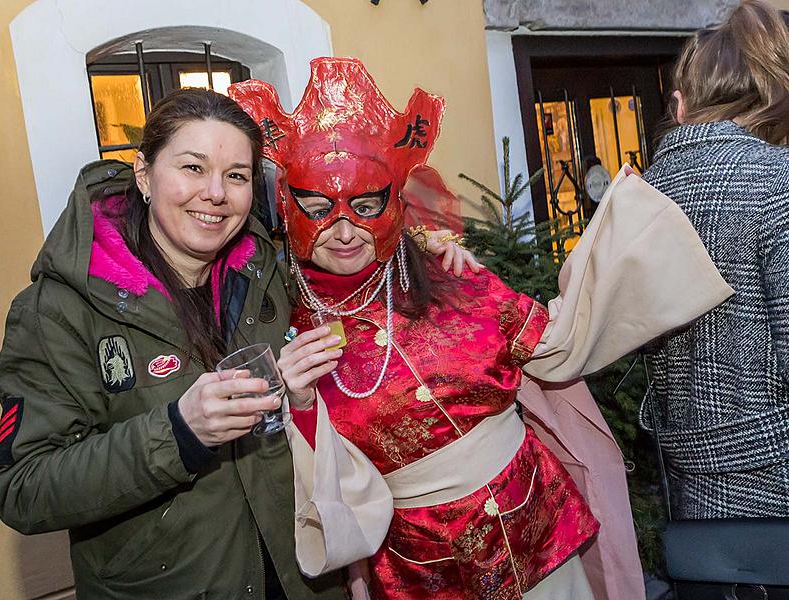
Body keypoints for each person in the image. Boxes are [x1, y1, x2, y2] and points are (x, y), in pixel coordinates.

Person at [230, 57, 732, 599]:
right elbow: (301, 475)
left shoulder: (452, 278)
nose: (345, 229)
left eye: (366, 204)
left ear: (393, 201)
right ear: (288, 206)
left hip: (539, 540)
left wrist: (632, 238)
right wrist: (299, 403)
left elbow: (554, 344)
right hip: (423, 572)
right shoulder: (280, 319)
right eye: (319, 207)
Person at [0, 87, 474, 599]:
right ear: (143, 174)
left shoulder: (265, 271)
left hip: (302, 579)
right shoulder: (59, 310)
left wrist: (433, 253)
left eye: (237, 176)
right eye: (192, 168)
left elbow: (347, 267)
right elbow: (24, 488)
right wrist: (178, 432)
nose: (215, 193)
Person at [641, 0, 789, 519]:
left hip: (687, 470)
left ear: (680, 105)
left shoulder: (641, 196)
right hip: (776, 471)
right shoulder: (777, 181)